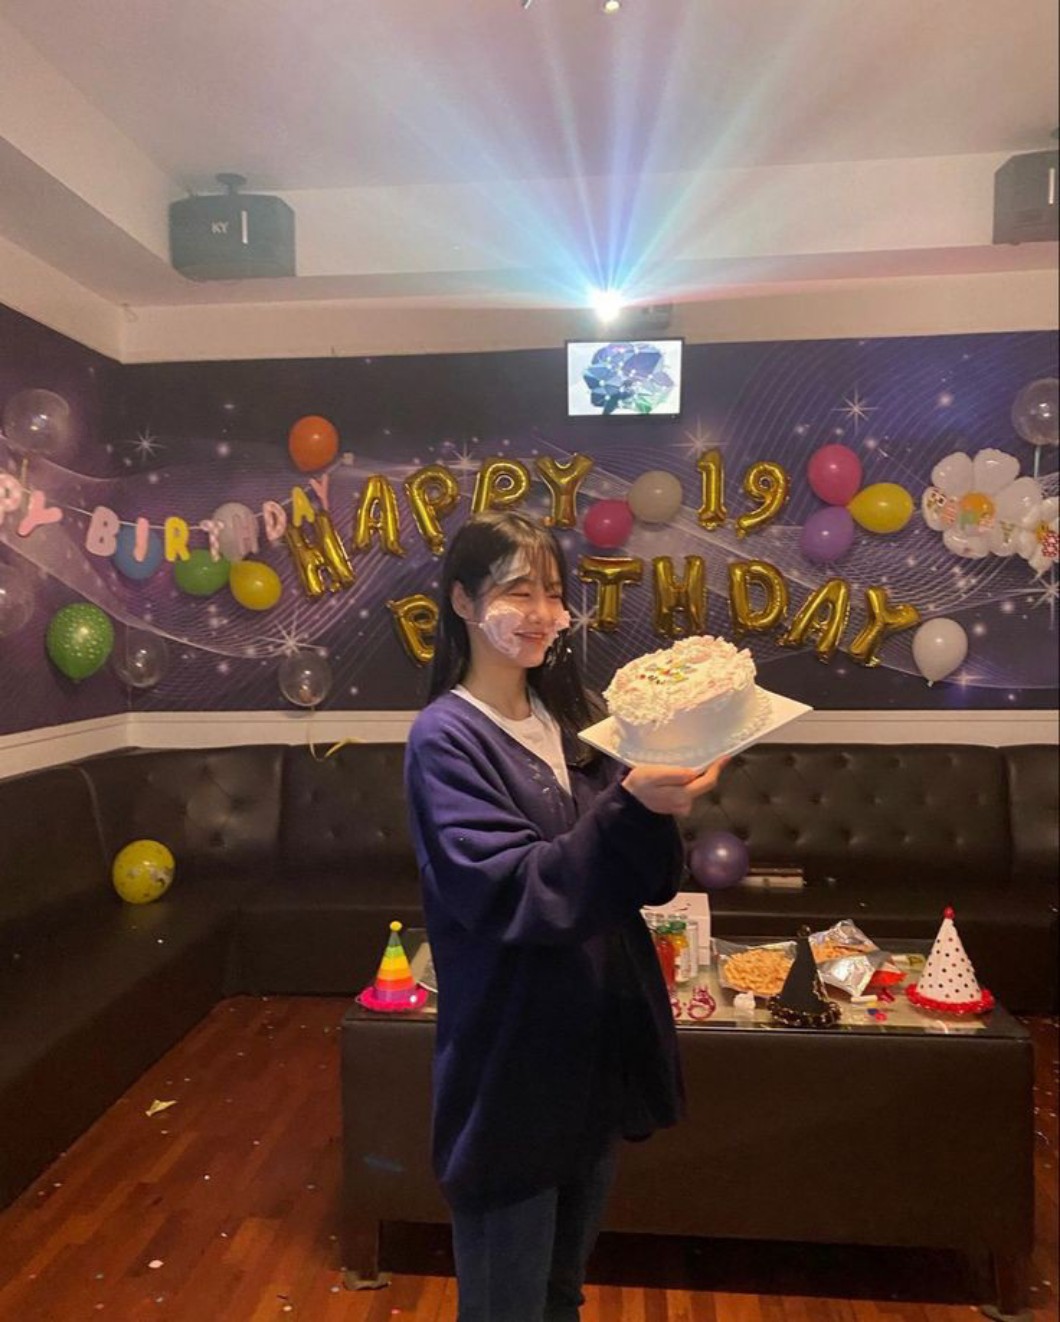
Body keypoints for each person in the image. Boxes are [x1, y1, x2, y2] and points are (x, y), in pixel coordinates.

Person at [403, 511, 727, 1321]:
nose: (543, 613)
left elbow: (642, 881)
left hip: (591, 1047)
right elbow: (513, 889)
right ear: (463, 602)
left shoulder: (576, 720)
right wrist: (628, 807)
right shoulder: (446, 739)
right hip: (511, 1062)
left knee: (561, 1293)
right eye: (518, 591)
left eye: (553, 592)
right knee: (506, 1303)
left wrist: (658, 803)